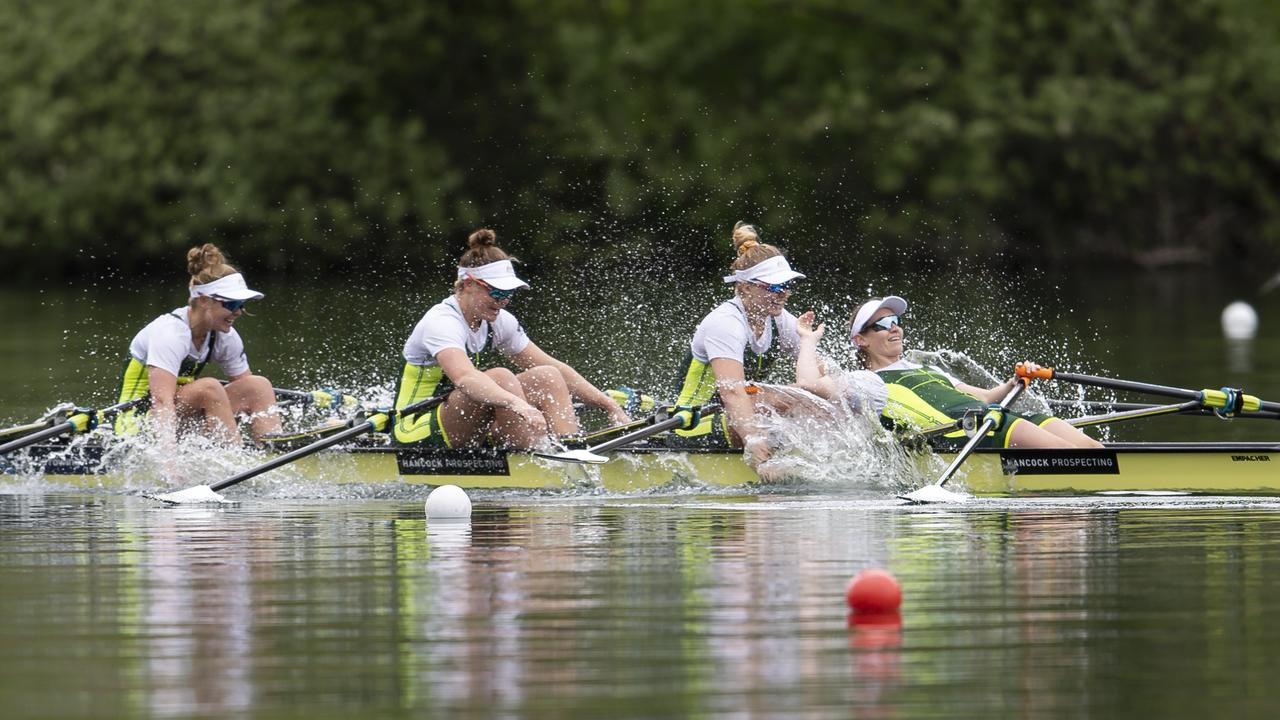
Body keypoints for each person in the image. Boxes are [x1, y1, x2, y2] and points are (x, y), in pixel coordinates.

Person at [393, 228, 631, 449]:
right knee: (501, 377)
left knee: (547, 375)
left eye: (508, 293)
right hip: (415, 426)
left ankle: (570, 447)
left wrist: (609, 405)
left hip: (462, 417)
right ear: (467, 284)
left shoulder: (498, 320)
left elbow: (557, 368)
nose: (503, 300)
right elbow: (465, 378)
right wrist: (518, 404)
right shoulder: (441, 322)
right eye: (496, 292)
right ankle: (535, 457)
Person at [797, 295, 1101, 449]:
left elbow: (985, 396)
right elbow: (808, 382)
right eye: (882, 325)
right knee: (1079, 457)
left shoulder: (925, 368)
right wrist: (808, 340)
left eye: (896, 321)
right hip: (970, 434)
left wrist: (1017, 382)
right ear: (861, 340)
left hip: (994, 420)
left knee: (1094, 448)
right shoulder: (867, 383)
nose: (895, 328)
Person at [667, 221, 826, 467]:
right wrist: (755, 443)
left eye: (786, 285)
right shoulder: (725, 323)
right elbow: (732, 392)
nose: (783, 293)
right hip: (693, 423)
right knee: (768, 399)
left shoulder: (780, 320)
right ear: (744, 286)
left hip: (740, 415)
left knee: (804, 395)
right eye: (773, 286)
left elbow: (819, 377)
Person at [114, 244, 279, 446]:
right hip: (140, 423)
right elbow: (162, 403)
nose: (238, 312)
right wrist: (170, 467)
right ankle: (235, 457)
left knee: (257, 386)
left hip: (182, 419)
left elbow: (246, 392)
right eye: (232, 304)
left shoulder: (224, 335)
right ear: (203, 301)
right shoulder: (170, 333)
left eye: (241, 305)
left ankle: (274, 451)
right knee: (209, 388)